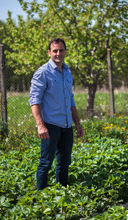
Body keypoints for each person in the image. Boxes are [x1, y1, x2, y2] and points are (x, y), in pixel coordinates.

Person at [29, 38, 84, 190]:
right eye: (55, 51)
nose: (58, 53)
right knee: (46, 162)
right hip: (50, 125)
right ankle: (41, 197)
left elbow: (70, 99)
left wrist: (77, 123)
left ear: (65, 51)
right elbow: (34, 100)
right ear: (49, 52)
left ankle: (62, 193)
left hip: (66, 125)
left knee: (64, 162)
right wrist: (40, 125)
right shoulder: (43, 73)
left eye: (61, 50)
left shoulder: (67, 72)